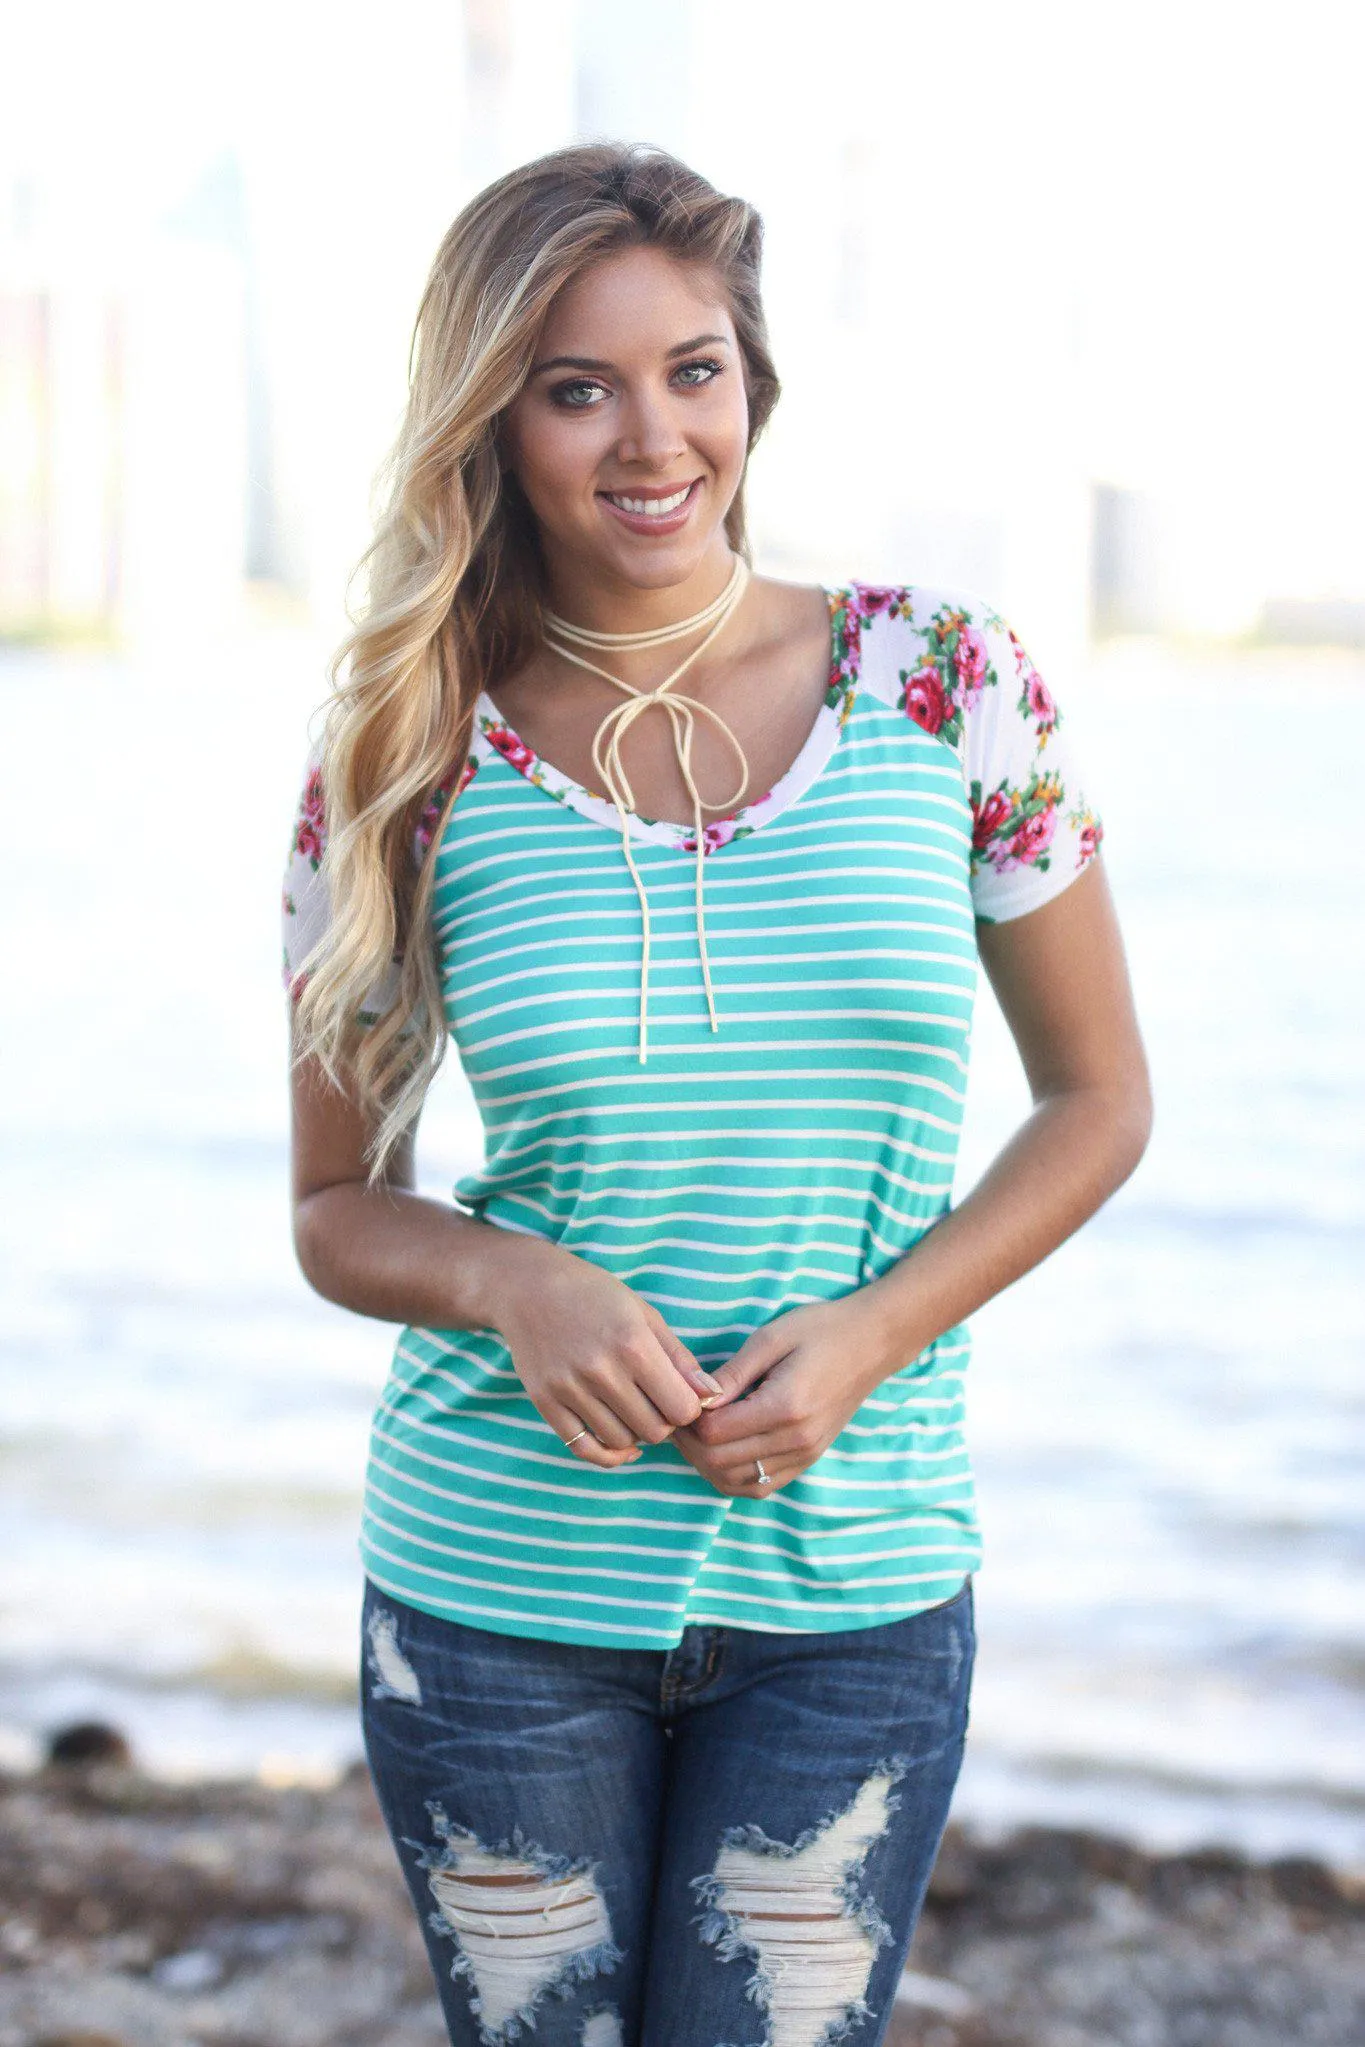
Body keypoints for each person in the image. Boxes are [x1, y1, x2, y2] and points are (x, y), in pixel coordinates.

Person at [281, 141, 1152, 2047]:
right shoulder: (407, 750)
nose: (650, 435)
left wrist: (871, 1332)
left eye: (694, 367)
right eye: (575, 385)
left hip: (856, 1589)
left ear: (754, 384)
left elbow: (1097, 1103)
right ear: (492, 422)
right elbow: (339, 1206)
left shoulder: (950, 684)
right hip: (493, 1593)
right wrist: (513, 1282)